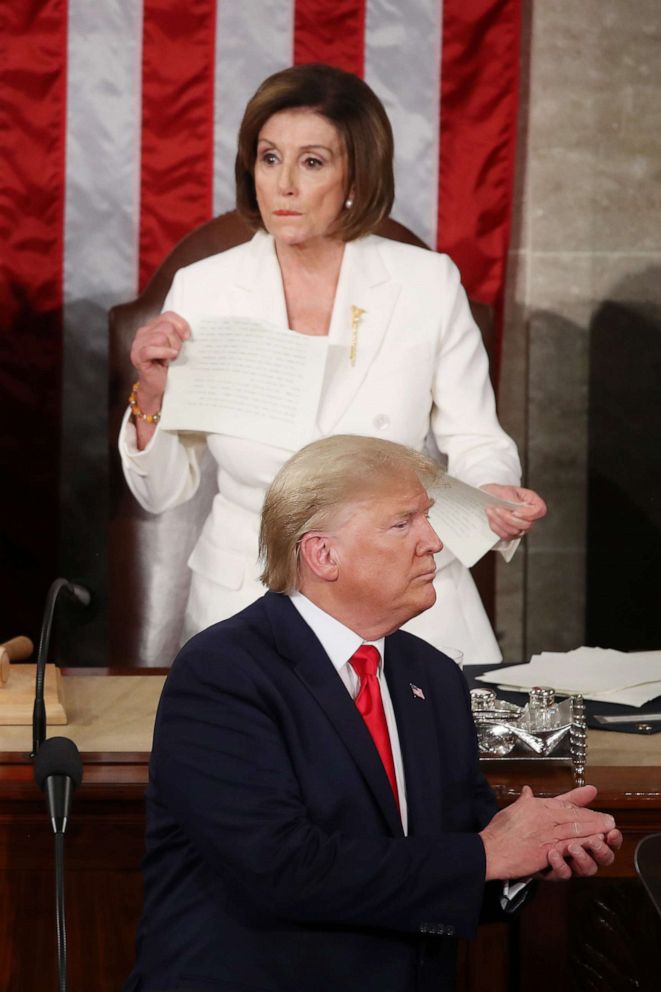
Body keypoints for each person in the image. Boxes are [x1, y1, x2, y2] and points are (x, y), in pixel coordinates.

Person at [124, 435, 620, 992]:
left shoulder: (432, 676)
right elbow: (282, 870)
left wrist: (529, 858)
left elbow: (452, 856)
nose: (433, 541)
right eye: (403, 523)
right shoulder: (223, 673)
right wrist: (486, 854)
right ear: (323, 554)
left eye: (426, 518)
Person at [119, 62, 546, 665]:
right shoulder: (203, 290)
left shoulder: (425, 282)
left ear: (355, 176)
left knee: (421, 757)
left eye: (312, 162)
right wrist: (154, 394)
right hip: (250, 593)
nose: (284, 185)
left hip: (406, 592)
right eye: (270, 158)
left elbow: (477, 439)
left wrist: (491, 492)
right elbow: (161, 493)